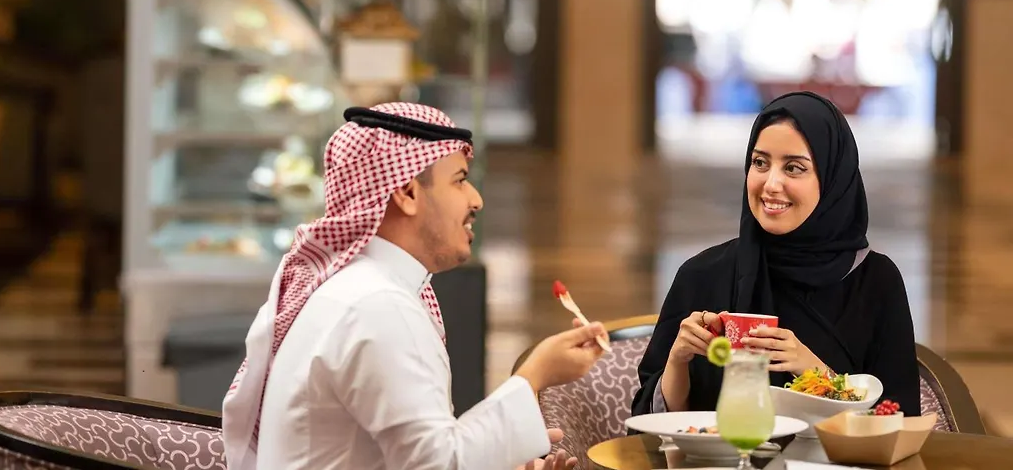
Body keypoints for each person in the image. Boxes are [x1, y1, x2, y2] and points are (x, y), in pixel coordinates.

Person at [223, 103, 609, 470]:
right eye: (460, 181)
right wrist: (536, 374)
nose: (476, 199)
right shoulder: (376, 306)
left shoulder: (360, 289)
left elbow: (417, 455)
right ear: (407, 193)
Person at [632, 91, 920, 417]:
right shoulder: (702, 276)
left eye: (794, 168)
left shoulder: (874, 281)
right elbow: (651, 425)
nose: (771, 184)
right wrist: (678, 360)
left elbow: (898, 420)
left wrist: (815, 373)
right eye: (760, 163)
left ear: (833, 179)